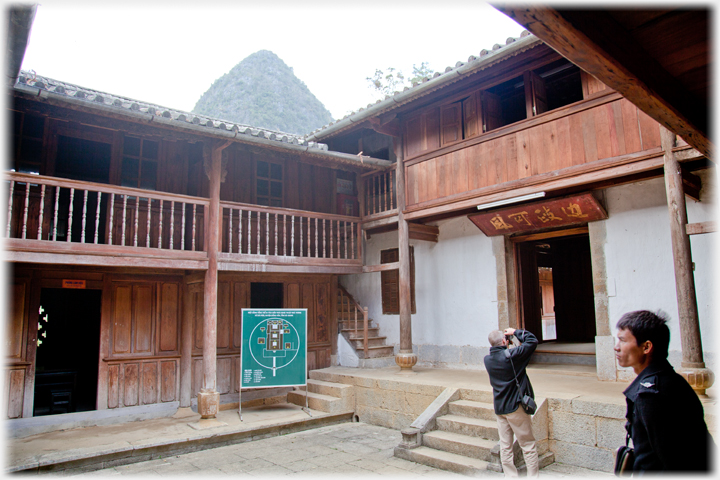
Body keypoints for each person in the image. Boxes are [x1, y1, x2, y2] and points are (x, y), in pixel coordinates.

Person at [615, 310, 715, 473]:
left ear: (646, 347)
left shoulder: (651, 395)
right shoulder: (670, 380)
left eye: (623, 340)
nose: (616, 347)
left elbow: (673, 460)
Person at [484, 327, 539, 477]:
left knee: (505, 447)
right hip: (515, 406)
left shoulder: (487, 360)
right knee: (527, 445)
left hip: (500, 408)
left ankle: (510, 476)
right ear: (503, 341)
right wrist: (515, 332)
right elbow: (532, 341)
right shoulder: (513, 357)